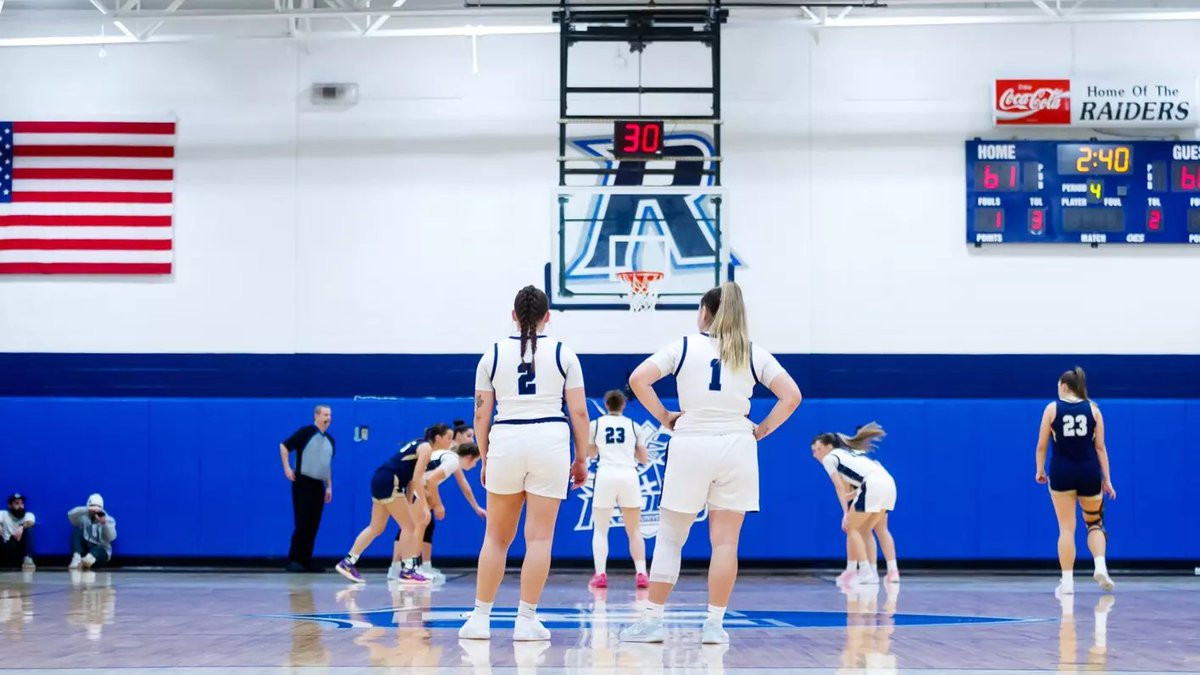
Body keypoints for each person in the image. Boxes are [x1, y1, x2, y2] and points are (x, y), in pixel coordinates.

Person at [620, 281, 802, 645]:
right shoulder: (752, 352)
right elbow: (792, 395)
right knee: (725, 543)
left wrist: (664, 417)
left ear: (705, 312)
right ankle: (715, 626)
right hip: (737, 445)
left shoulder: (684, 346)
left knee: (671, 538)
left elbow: (638, 379)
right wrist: (760, 431)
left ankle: (653, 621)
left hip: (691, 441)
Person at [458, 285, 590, 642]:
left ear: (514, 315)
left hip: (506, 438)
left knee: (495, 538)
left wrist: (485, 457)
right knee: (539, 538)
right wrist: (581, 458)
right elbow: (579, 412)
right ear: (548, 316)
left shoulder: (492, 354)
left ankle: (479, 618)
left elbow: (480, 415)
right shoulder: (564, 353)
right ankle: (526, 620)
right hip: (550, 440)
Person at [335, 424, 454, 585]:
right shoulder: (426, 448)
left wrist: (409, 501)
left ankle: (348, 562)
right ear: (438, 438)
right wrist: (425, 507)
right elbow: (418, 478)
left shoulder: (419, 444)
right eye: (449, 437)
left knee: (376, 527)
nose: (451, 441)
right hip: (391, 480)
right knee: (409, 527)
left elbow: (411, 480)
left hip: (380, 478)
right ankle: (408, 570)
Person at [1035, 367, 1117, 595]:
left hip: (1062, 472)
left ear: (1063, 387)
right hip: (1089, 472)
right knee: (1094, 523)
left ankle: (1068, 582)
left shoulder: (1052, 409)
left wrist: (1039, 470)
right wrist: (1107, 480)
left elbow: (1041, 445)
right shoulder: (1094, 410)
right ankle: (1100, 566)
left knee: (1066, 528)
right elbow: (1100, 448)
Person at [389, 420, 486, 581]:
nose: (475, 466)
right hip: (413, 486)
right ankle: (404, 568)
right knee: (414, 528)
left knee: (419, 526)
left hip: (415, 486)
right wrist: (437, 504)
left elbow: (434, 479)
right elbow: (429, 479)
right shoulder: (451, 457)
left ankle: (410, 568)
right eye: (476, 462)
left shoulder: (450, 456)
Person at [810, 423, 900, 586]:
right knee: (866, 529)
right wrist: (851, 498)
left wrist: (846, 513)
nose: (815, 454)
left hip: (873, 484)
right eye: (813, 451)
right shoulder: (849, 454)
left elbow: (839, 486)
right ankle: (876, 572)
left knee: (852, 527)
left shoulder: (830, 458)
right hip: (888, 483)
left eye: (818, 449)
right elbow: (859, 486)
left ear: (829, 447)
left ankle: (865, 572)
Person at [587, 390, 651, 590]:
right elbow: (643, 458)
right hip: (628, 476)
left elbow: (591, 453)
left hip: (605, 474)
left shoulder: (595, 425)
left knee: (600, 530)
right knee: (634, 530)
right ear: (623, 405)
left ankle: (600, 574)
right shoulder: (634, 426)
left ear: (606, 404)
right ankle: (641, 573)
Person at [280, 404, 335, 573]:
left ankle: (306, 560)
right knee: (302, 523)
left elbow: (326, 465)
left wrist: (329, 486)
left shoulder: (330, 441)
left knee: (313, 524)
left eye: (330, 415)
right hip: (303, 483)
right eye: (325, 415)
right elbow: (284, 446)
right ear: (316, 416)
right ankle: (294, 560)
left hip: (318, 485)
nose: (328, 418)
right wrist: (287, 468)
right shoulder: (305, 432)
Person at [67, 494, 117, 569]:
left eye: (98, 507)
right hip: (86, 549)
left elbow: (112, 537)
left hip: (100, 552)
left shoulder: (108, 520)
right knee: (77, 532)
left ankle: (88, 561)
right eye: (92, 506)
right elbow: (70, 516)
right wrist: (87, 509)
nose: (95, 510)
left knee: (97, 550)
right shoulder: (84, 516)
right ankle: (77, 558)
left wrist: (104, 523)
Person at [0, 493, 36, 570]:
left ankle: (28, 559)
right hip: (5, 547)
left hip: (18, 547)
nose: (20, 506)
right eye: (17, 503)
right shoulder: (3, 514)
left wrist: (22, 527)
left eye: (22, 503)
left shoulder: (28, 515)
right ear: (10, 506)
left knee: (29, 529)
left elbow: (31, 522)